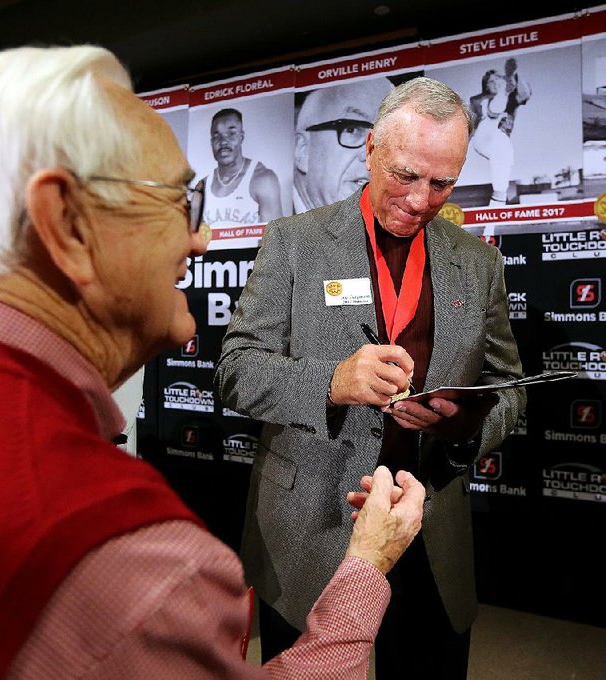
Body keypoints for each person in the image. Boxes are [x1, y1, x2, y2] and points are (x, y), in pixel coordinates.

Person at [0, 45, 426, 679]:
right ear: (67, 225)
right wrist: (365, 571)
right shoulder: (131, 561)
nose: (202, 236)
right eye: (180, 202)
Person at [216, 76, 526, 680]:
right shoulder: (294, 243)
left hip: (427, 531)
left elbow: (508, 386)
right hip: (310, 532)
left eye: (442, 184)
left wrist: (467, 423)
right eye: (406, 175)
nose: (419, 200)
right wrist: (331, 381)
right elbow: (235, 370)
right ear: (371, 149)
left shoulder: (477, 261)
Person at [294, 78, 394, 212]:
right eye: (352, 129)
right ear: (303, 150)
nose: (373, 156)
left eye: (386, 138)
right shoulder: (276, 228)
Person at [202, 108, 284, 227]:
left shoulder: (263, 180)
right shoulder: (202, 187)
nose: (223, 142)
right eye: (217, 136)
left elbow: (275, 241)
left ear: (241, 137)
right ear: (211, 142)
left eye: (231, 134)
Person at [469, 58, 532, 206]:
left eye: (498, 80)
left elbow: (525, 93)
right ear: (485, 85)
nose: (495, 83)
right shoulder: (477, 100)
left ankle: (495, 210)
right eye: (491, 81)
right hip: (482, 138)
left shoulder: (511, 98)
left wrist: (514, 75)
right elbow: (470, 125)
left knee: (501, 183)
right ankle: (499, 195)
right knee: (501, 141)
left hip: (499, 141)